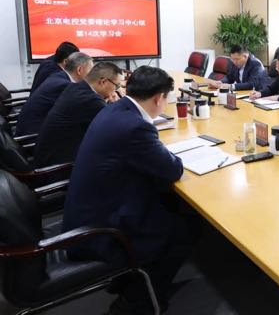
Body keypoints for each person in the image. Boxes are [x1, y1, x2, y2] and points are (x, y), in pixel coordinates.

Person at [62, 66, 193, 314]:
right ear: (159, 98)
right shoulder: (135, 127)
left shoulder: (115, 109)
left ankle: (127, 281)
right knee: (184, 229)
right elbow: (173, 169)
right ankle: (139, 300)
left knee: (167, 201)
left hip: (87, 210)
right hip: (102, 229)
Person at [33, 62, 123, 168]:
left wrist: (106, 100)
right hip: (58, 166)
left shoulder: (76, 87)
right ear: (103, 81)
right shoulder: (91, 100)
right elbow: (117, 125)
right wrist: (119, 103)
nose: (116, 90)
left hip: (47, 155)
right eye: (117, 86)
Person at [16, 52, 93, 136]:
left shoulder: (58, 76)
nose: (92, 75)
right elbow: (78, 112)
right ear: (79, 70)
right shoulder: (64, 85)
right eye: (90, 71)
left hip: (28, 128)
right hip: (32, 135)